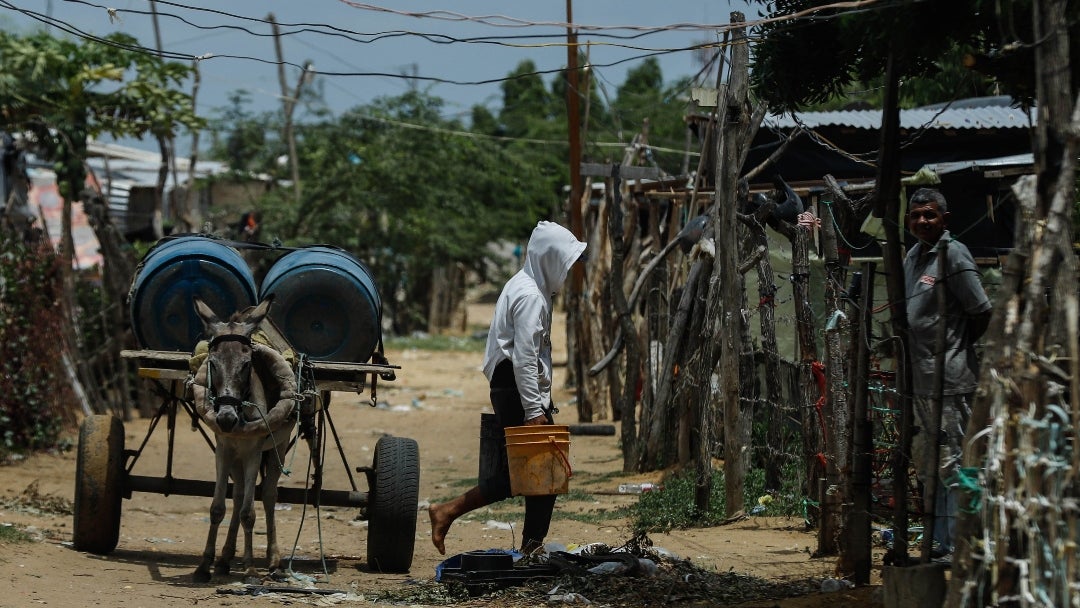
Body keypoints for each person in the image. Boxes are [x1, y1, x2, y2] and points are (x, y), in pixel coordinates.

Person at [428, 220, 586, 556]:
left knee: (538, 473)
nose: (568, 272)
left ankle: (529, 547)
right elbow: (525, 358)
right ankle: (450, 512)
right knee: (537, 472)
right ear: (550, 259)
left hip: (514, 387)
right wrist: (533, 410)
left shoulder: (529, 287)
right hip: (515, 387)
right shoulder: (530, 295)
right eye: (565, 263)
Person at [902, 187, 991, 561]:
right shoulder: (912, 256)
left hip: (952, 381)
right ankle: (940, 542)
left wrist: (952, 348)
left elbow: (981, 311)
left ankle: (961, 545)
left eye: (930, 215)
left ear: (944, 219)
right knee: (928, 464)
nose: (922, 221)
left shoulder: (953, 254)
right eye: (916, 215)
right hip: (921, 383)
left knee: (956, 462)